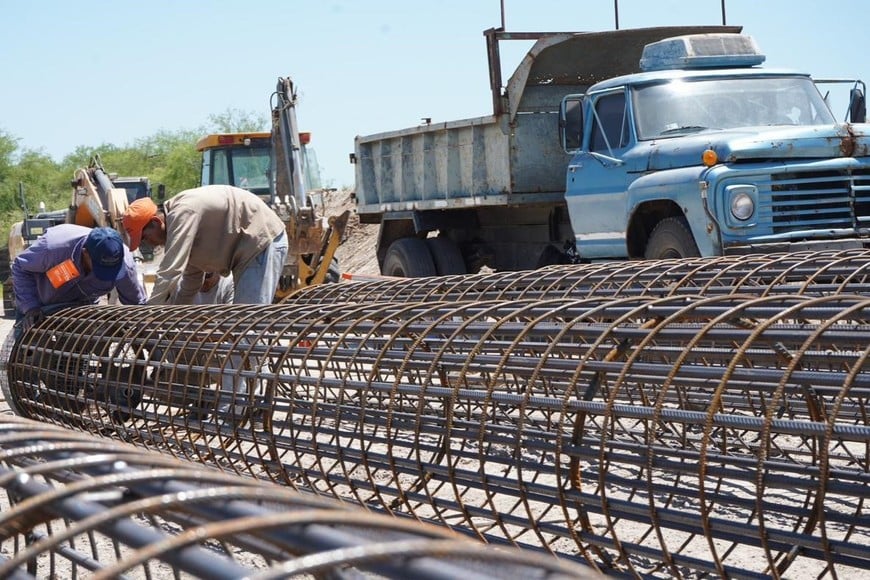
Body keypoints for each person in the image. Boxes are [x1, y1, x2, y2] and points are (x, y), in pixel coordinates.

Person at [121, 185, 288, 306]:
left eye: (144, 237)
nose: (147, 244)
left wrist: (151, 313)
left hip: (261, 242)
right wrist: (174, 318)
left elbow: (170, 270)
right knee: (242, 328)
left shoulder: (182, 213)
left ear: (156, 222)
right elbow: (191, 280)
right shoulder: (182, 227)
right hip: (248, 252)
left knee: (247, 327)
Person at [11, 224, 147, 335]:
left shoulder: (124, 265)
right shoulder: (53, 249)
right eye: (100, 268)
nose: (107, 273)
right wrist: (31, 306)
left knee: (77, 354)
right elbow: (20, 267)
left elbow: (136, 304)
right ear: (85, 253)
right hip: (40, 306)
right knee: (27, 350)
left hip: (81, 309)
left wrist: (144, 330)